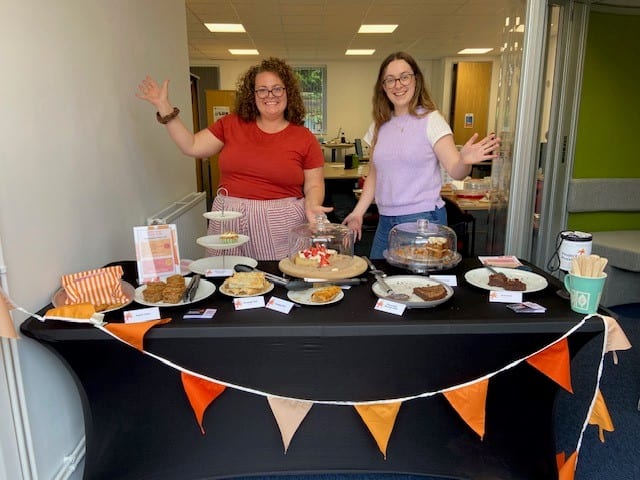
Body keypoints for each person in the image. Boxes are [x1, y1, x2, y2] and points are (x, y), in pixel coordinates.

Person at [136, 57, 331, 260]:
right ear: (252, 94)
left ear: (287, 92)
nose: (270, 95)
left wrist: (312, 204)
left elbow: (314, 184)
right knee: (224, 273)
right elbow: (191, 145)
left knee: (275, 274)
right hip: (228, 218)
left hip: (281, 222)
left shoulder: (304, 137)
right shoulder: (231, 124)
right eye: (262, 90)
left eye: (277, 89)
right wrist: (164, 106)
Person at [343, 51, 501, 259]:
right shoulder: (379, 125)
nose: (398, 85)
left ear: (416, 80)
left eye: (404, 77)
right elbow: (374, 175)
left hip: (422, 221)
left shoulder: (432, 120)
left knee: (415, 280)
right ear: (383, 87)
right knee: (379, 277)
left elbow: (456, 171)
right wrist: (357, 213)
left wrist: (464, 160)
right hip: (386, 220)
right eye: (390, 79)